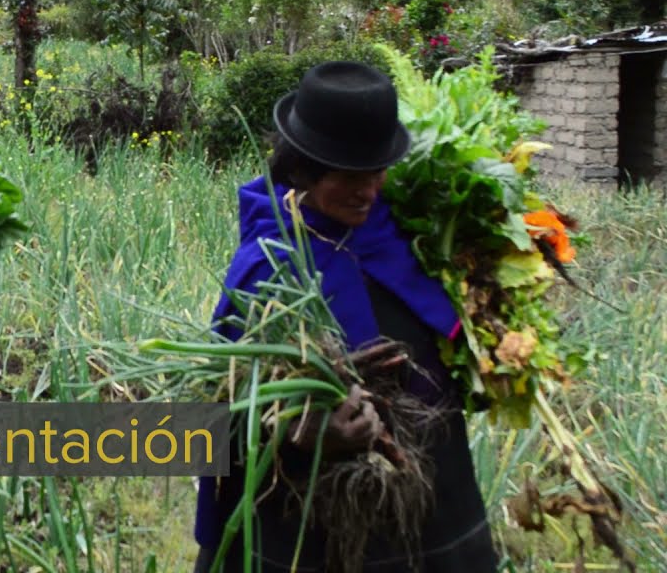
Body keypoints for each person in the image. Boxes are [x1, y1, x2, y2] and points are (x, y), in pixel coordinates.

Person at [193, 62, 500, 572]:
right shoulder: (269, 266)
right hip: (315, 520)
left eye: (377, 172)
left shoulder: (405, 232)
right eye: (351, 178)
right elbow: (224, 415)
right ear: (300, 170)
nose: (369, 191)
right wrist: (306, 432)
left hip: (432, 501)